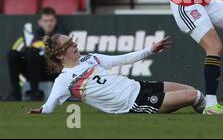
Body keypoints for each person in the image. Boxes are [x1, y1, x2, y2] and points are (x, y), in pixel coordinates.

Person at [28, 34, 207, 115]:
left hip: (140, 86)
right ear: (59, 54)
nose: (75, 45)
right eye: (69, 44)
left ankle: (209, 110)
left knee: (191, 90)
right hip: (134, 103)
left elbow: (124, 59)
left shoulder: (91, 58)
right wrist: (40, 111)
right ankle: (218, 111)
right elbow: (48, 107)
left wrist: (150, 50)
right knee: (194, 95)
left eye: (73, 41)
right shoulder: (64, 81)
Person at [5, 7, 66, 101]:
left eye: (51, 20)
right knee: (13, 54)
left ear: (55, 21)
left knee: (32, 53)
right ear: (40, 22)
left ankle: (35, 93)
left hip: (52, 71)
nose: (49, 23)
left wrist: (48, 45)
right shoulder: (37, 35)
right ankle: (16, 93)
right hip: (33, 70)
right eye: (45, 21)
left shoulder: (61, 35)